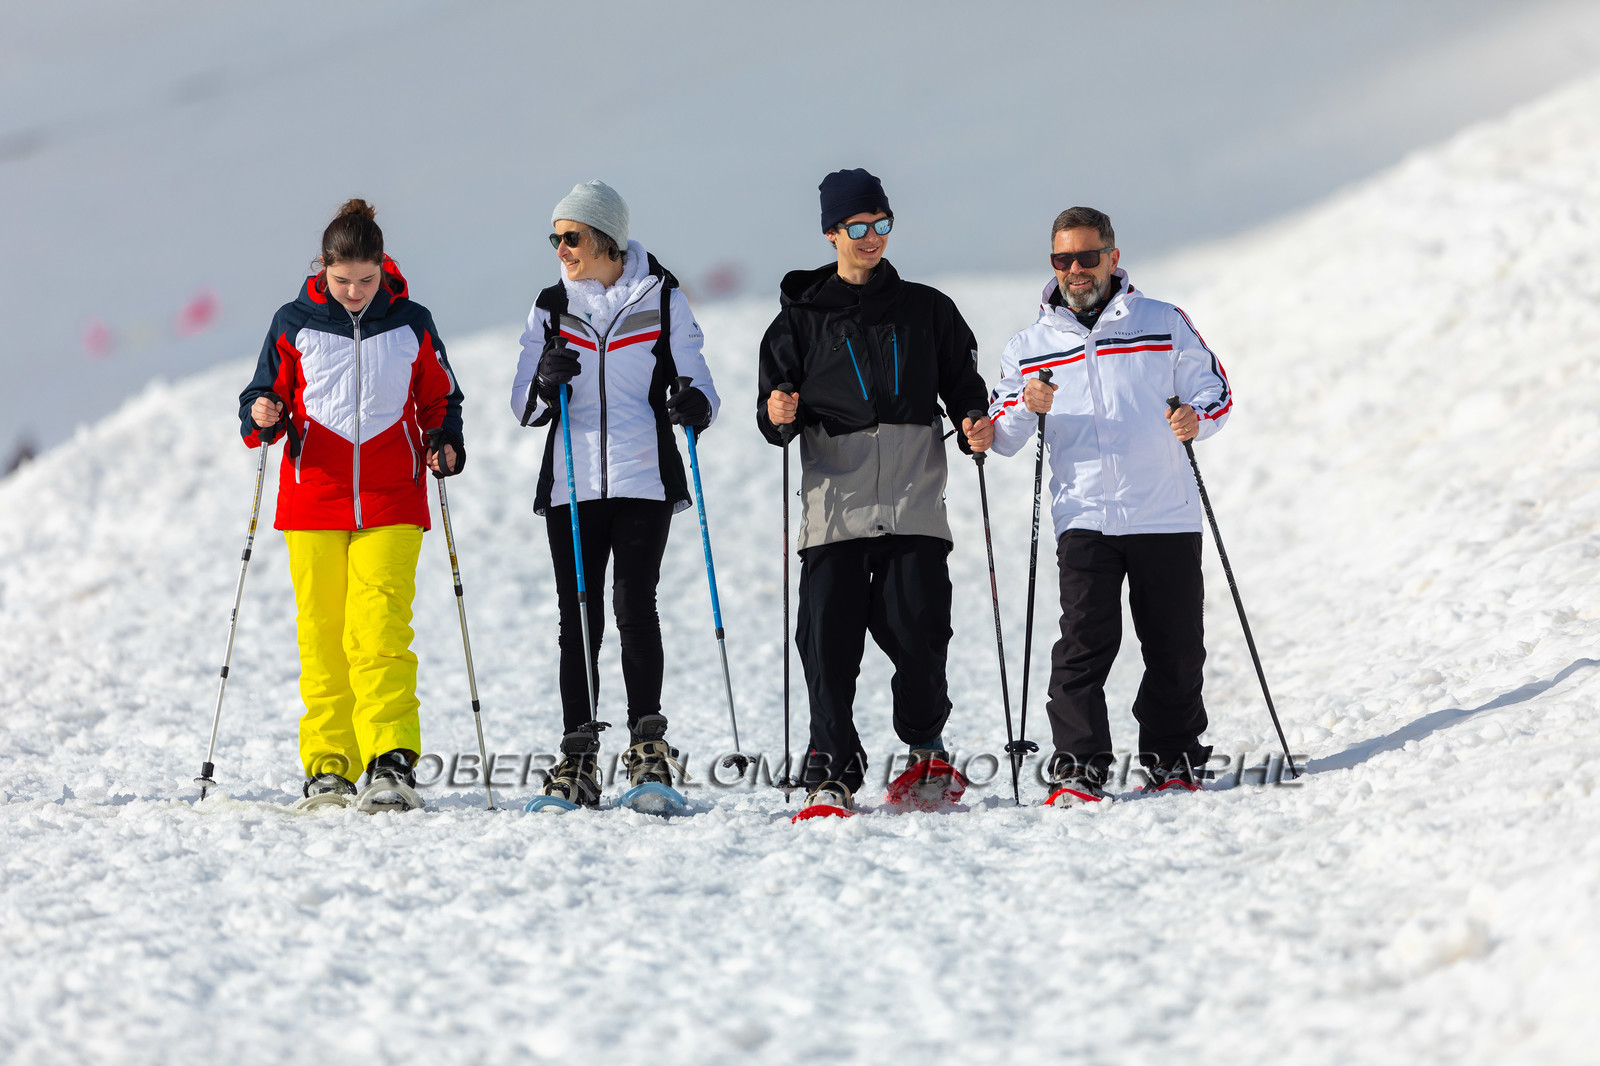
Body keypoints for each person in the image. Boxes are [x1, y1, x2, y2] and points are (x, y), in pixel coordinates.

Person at [756, 168, 994, 815]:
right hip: (835, 510)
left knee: (921, 634)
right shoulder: (800, 320)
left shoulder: (928, 309)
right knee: (827, 644)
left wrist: (974, 420)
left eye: (881, 225)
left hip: (914, 504)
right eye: (858, 227)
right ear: (832, 232)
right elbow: (772, 410)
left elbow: (964, 385)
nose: (871, 238)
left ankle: (925, 749)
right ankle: (830, 771)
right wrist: (778, 413)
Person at [987, 206, 1231, 805]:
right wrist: (1026, 403)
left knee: (1175, 645)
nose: (1076, 270)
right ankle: (1078, 769)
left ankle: (1174, 759)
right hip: (1086, 515)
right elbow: (1004, 436)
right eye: (1062, 260)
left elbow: (1215, 387)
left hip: (1163, 510)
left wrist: (1195, 416)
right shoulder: (1031, 344)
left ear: (1113, 258)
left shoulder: (1162, 320)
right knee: (1084, 644)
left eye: (1087, 257)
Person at [238, 198, 464, 811]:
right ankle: (329, 766)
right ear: (324, 269)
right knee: (322, 635)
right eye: (343, 281)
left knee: (381, 630)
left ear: (381, 268)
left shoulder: (410, 321)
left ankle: (390, 760)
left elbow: (441, 397)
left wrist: (445, 439)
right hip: (314, 499)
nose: (356, 292)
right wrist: (262, 411)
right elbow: (263, 396)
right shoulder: (294, 321)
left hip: (393, 498)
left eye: (366, 279)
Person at [511, 180, 720, 809]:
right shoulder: (550, 306)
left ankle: (647, 747)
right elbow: (521, 403)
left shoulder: (662, 296)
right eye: (554, 238)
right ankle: (577, 757)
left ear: (605, 239)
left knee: (634, 606)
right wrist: (546, 382)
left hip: (642, 478)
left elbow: (698, 376)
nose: (560, 249)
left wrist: (694, 404)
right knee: (578, 614)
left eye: (569, 237)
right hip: (572, 482)